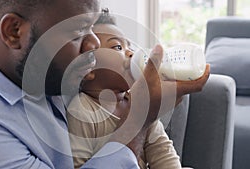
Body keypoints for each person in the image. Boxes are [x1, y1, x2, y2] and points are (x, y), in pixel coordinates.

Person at [0, 0, 210, 168]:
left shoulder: (43, 65)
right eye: (78, 32)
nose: (94, 45)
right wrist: (136, 123)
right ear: (14, 31)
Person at [67, 10, 191, 169]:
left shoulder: (140, 101)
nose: (131, 53)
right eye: (117, 46)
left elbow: (161, 149)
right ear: (88, 68)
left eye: (129, 47)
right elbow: (77, 165)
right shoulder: (81, 112)